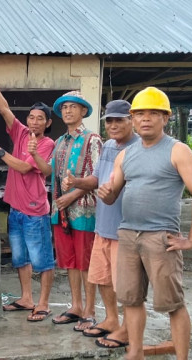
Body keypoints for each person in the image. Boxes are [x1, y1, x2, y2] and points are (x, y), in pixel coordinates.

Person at [97, 87, 192, 360]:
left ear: (165, 118)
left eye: (153, 113)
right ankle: (135, 353)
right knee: (131, 300)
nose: (145, 119)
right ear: (133, 118)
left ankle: (182, 358)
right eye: (140, 114)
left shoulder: (177, 150)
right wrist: (107, 193)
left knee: (173, 303)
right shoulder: (125, 155)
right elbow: (112, 196)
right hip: (127, 235)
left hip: (161, 238)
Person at [62, 100, 137, 349]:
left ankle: (127, 329)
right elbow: (97, 179)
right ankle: (112, 320)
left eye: (119, 120)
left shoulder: (139, 147)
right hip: (102, 224)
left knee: (124, 283)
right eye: (110, 121)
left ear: (132, 120)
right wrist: (76, 182)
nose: (113, 125)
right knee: (103, 277)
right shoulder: (108, 147)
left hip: (125, 227)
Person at [0, 66, 56, 322]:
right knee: (20, 258)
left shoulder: (47, 144)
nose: (34, 121)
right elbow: (3, 108)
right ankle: (27, 298)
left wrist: (0, 152)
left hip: (35, 211)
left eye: (40, 118)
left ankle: (43, 303)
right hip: (16, 209)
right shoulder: (21, 133)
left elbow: (26, 167)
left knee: (42, 260)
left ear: (48, 123)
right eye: (32, 117)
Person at [47, 90, 102, 330]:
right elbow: (48, 172)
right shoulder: (59, 142)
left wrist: (71, 196)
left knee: (86, 262)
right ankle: (76, 306)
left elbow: (98, 176)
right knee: (69, 262)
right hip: (60, 211)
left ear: (83, 111)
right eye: (64, 107)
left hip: (84, 210)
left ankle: (90, 310)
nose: (68, 111)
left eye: (73, 107)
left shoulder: (93, 139)